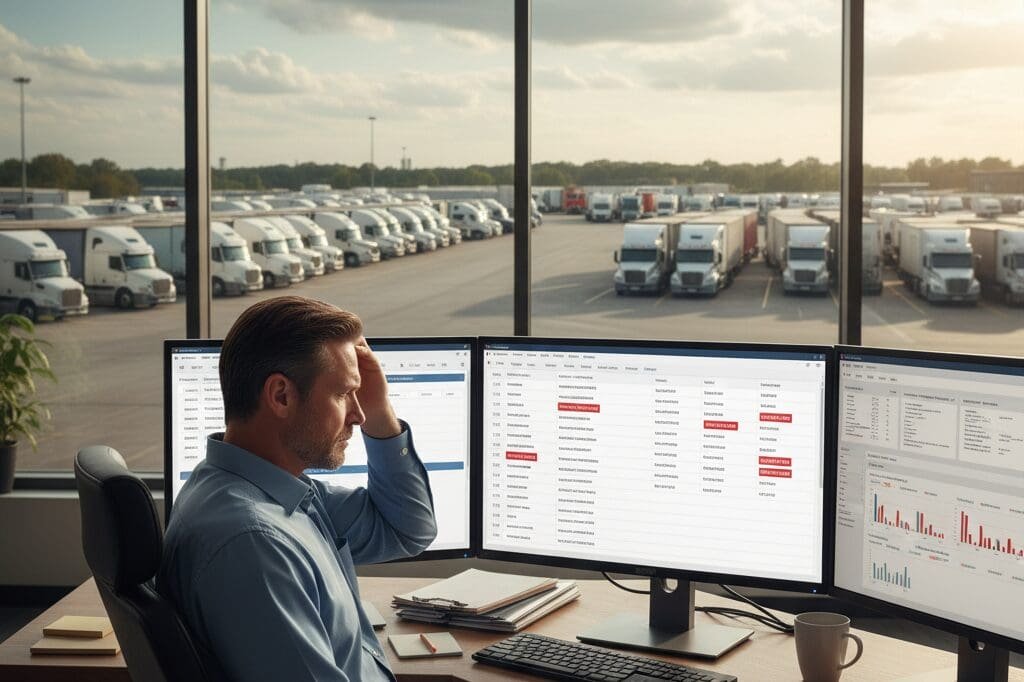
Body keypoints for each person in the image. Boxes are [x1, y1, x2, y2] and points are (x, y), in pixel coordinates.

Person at [158, 296, 437, 681]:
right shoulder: (255, 543)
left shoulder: (278, 495)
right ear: (281, 396)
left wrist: (380, 411)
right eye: (343, 394)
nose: (358, 415)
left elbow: (407, 530)